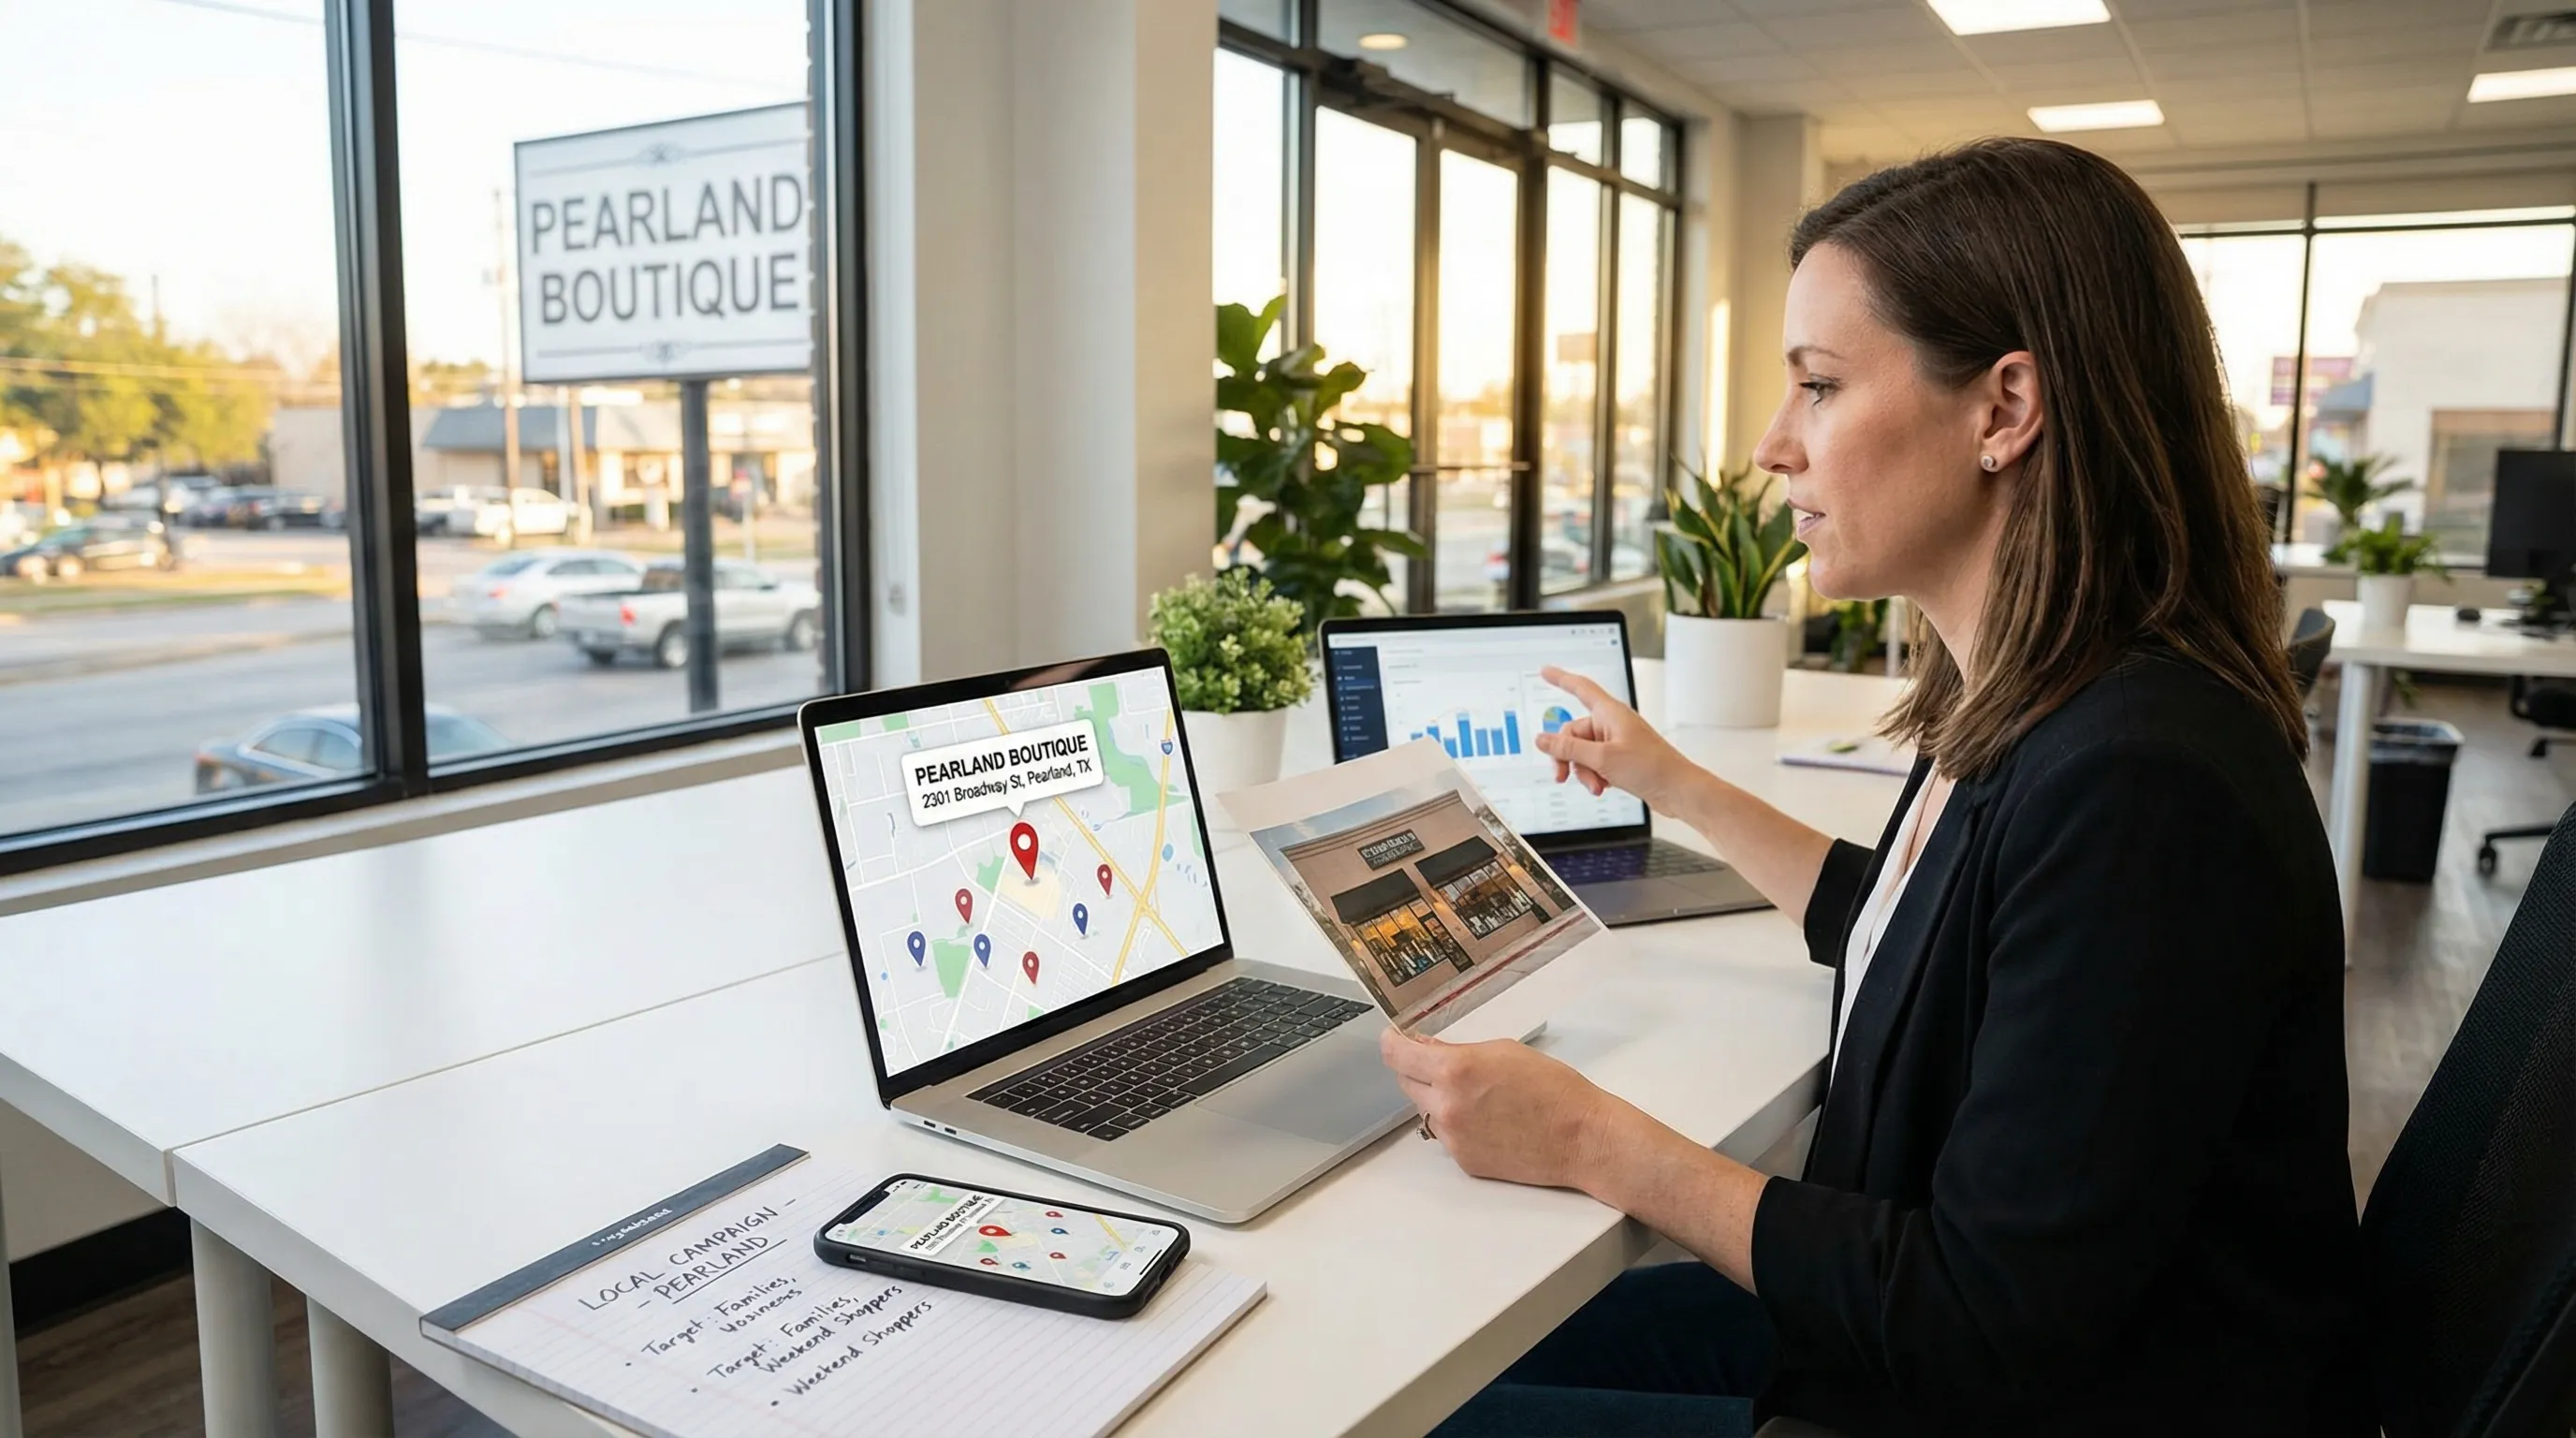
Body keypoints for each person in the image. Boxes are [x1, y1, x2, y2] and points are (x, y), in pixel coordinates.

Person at [1387, 137, 2362, 1437]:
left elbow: (1985, 1316)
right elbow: (1909, 932)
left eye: (1821, 387)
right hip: (1917, 1354)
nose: (1771, 446)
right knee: (1455, 1364)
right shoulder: (2036, 700)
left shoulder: (2142, 786)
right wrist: (1677, 785)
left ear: (2004, 412)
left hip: (1992, 1396)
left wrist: (1587, 1140)